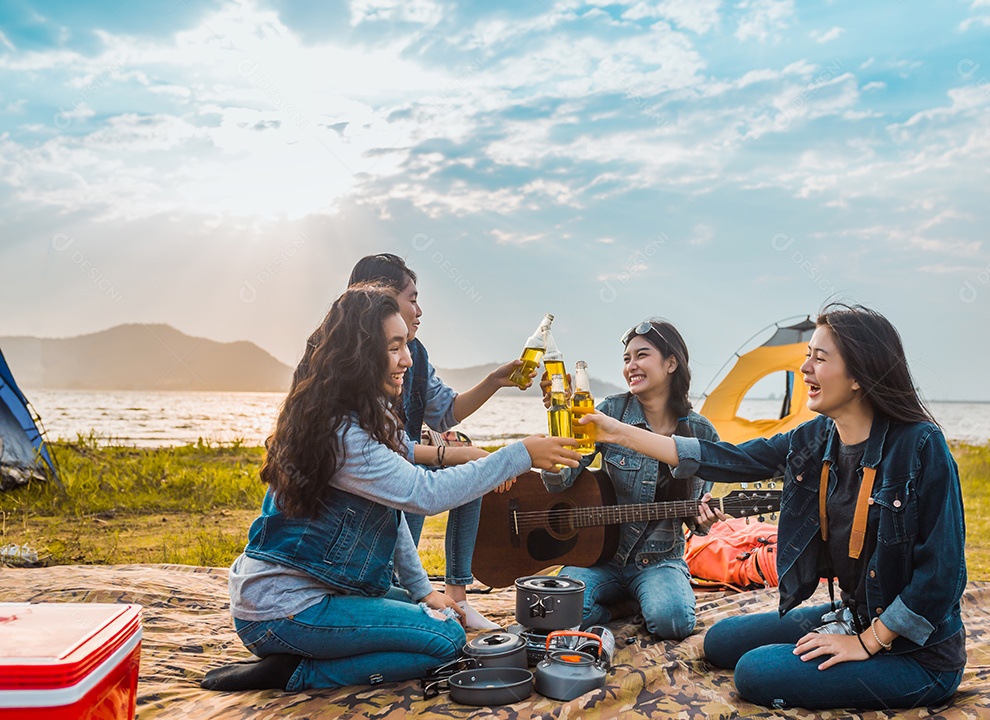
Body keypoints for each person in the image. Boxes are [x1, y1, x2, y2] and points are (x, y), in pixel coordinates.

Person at [581, 304, 966, 710]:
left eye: (820, 358)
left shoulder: (920, 446)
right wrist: (617, 432)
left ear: (858, 375)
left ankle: (875, 654)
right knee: (720, 641)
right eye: (807, 357)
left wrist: (866, 643)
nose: (805, 370)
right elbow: (725, 458)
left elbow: (942, 577)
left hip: (917, 654)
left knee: (755, 672)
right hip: (857, 615)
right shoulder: (816, 439)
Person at [201, 285, 580, 692]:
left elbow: (391, 512)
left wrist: (422, 592)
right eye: (394, 347)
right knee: (447, 640)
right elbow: (425, 494)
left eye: (407, 344)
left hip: (305, 596)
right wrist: (520, 454)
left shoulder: (366, 416)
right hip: (284, 610)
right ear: (360, 357)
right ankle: (295, 672)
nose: (407, 358)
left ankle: (307, 653)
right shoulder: (343, 435)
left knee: (443, 617)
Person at [348, 254, 531, 630]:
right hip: (368, 490)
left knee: (462, 467)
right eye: (412, 298)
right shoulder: (347, 365)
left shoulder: (413, 354)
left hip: (400, 467)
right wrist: (456, 453)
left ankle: (457, 597)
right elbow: (380, 451)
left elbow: (445, 410)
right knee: (450, 469)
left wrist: (495, 380)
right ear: (381, 299)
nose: (419, 310)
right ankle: (398, 591)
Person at [541, 319, 723, 641]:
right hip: (599, 558)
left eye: (642, 355)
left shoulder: (702, 432)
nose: (631, 365)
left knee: (673, 622)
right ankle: (620, 609)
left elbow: (697, 519)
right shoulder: (610, 411)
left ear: (671, 363)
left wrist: (704, 519)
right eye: (627, 359)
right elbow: (561, 479)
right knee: (553, 609)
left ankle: (643, 597)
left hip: (659, 560)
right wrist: (561, 429)